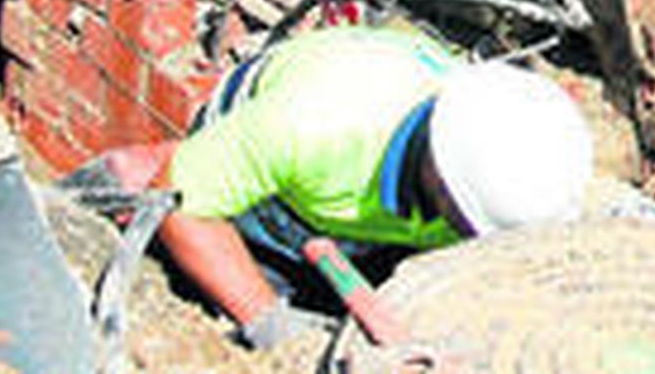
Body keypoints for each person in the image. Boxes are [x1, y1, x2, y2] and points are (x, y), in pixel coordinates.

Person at [132, 23, 595, 350]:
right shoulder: (316, 124)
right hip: (266, 206)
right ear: (441, 179)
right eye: (465, 224)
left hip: (353, 214)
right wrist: (270, 323)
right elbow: (177, 201)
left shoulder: (509, 160)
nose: (471, 238)